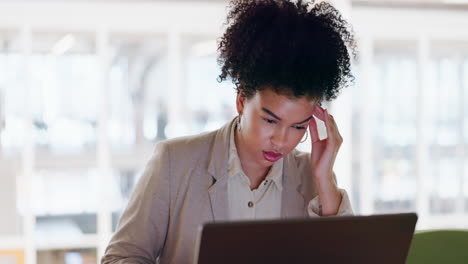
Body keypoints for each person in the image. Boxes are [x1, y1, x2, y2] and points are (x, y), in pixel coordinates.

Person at [102, 0, 356, 263]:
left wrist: (324, 178)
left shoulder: (311, 177)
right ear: (241, 101)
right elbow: (122, 256)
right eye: (270, 121)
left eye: (298, 127)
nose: (281, 141)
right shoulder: (174, 162)